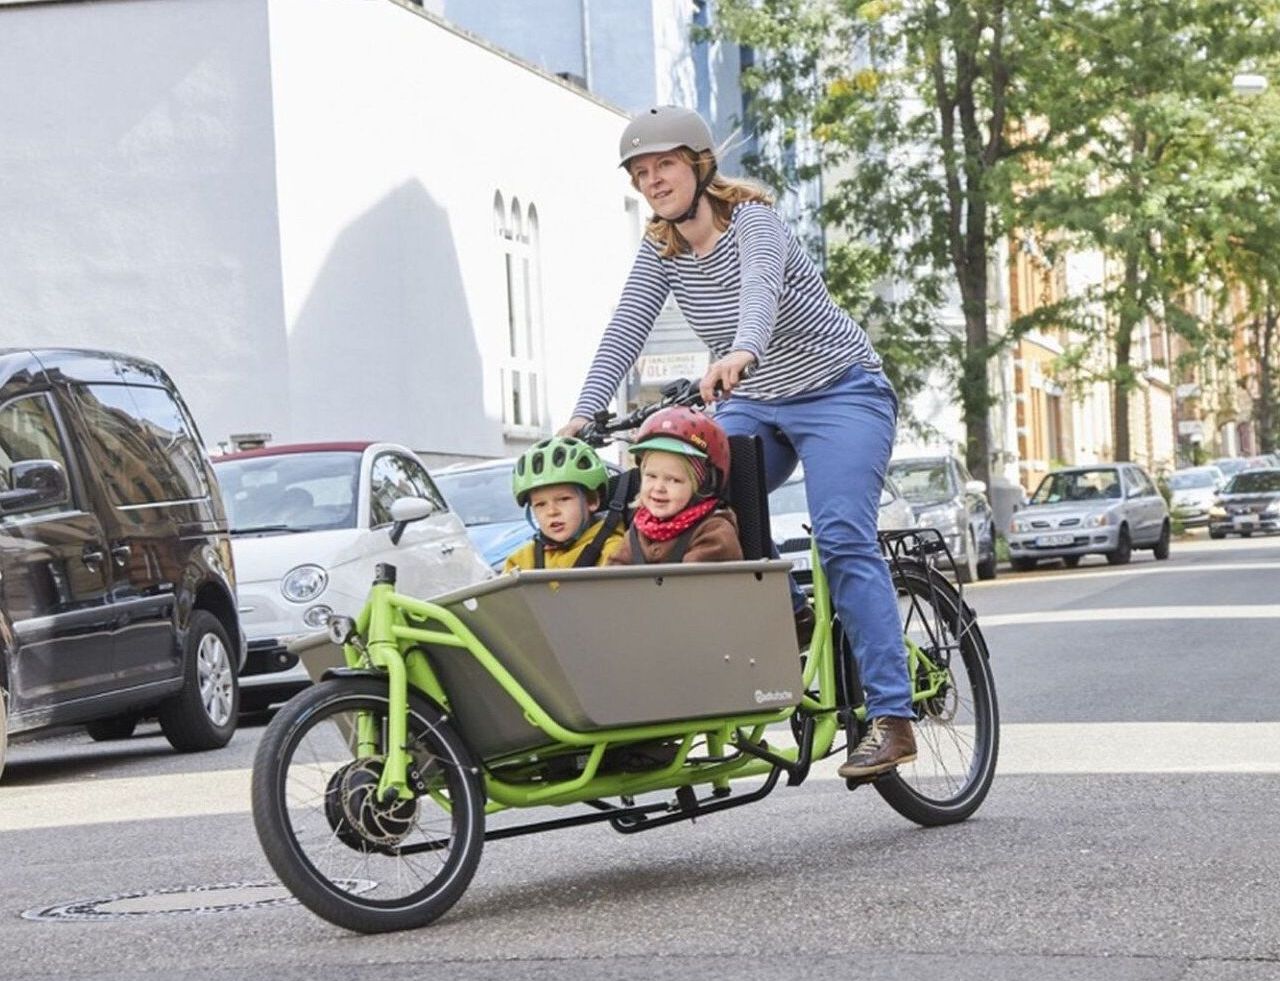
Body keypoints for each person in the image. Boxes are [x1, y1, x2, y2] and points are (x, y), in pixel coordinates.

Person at [558, 105, 916, 779]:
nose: (652, 180)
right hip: (756, 400)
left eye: (664, 164)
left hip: (841, 391)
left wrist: (743, 349)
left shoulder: (755, 222)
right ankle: (792, 612)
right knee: (682, 501)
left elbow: (761, 289)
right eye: (640, 172)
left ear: (699, 165)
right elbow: (625, 328)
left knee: (841, 534)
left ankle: (892, 717)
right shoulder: (661, 250)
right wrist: (583, 413)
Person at [606, 406, 742, 565]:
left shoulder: (714, 531)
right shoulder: (638, 529)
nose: (658, 487)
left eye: (673, 480)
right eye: (651, 476)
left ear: (702, 486)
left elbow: (696, 585)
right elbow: (612, 580)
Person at [503, 437, 624, 571]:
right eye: (540, 504)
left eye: (564, 499)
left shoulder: (614, 552)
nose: (552, 512)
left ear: (591, 500)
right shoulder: (521, 561)